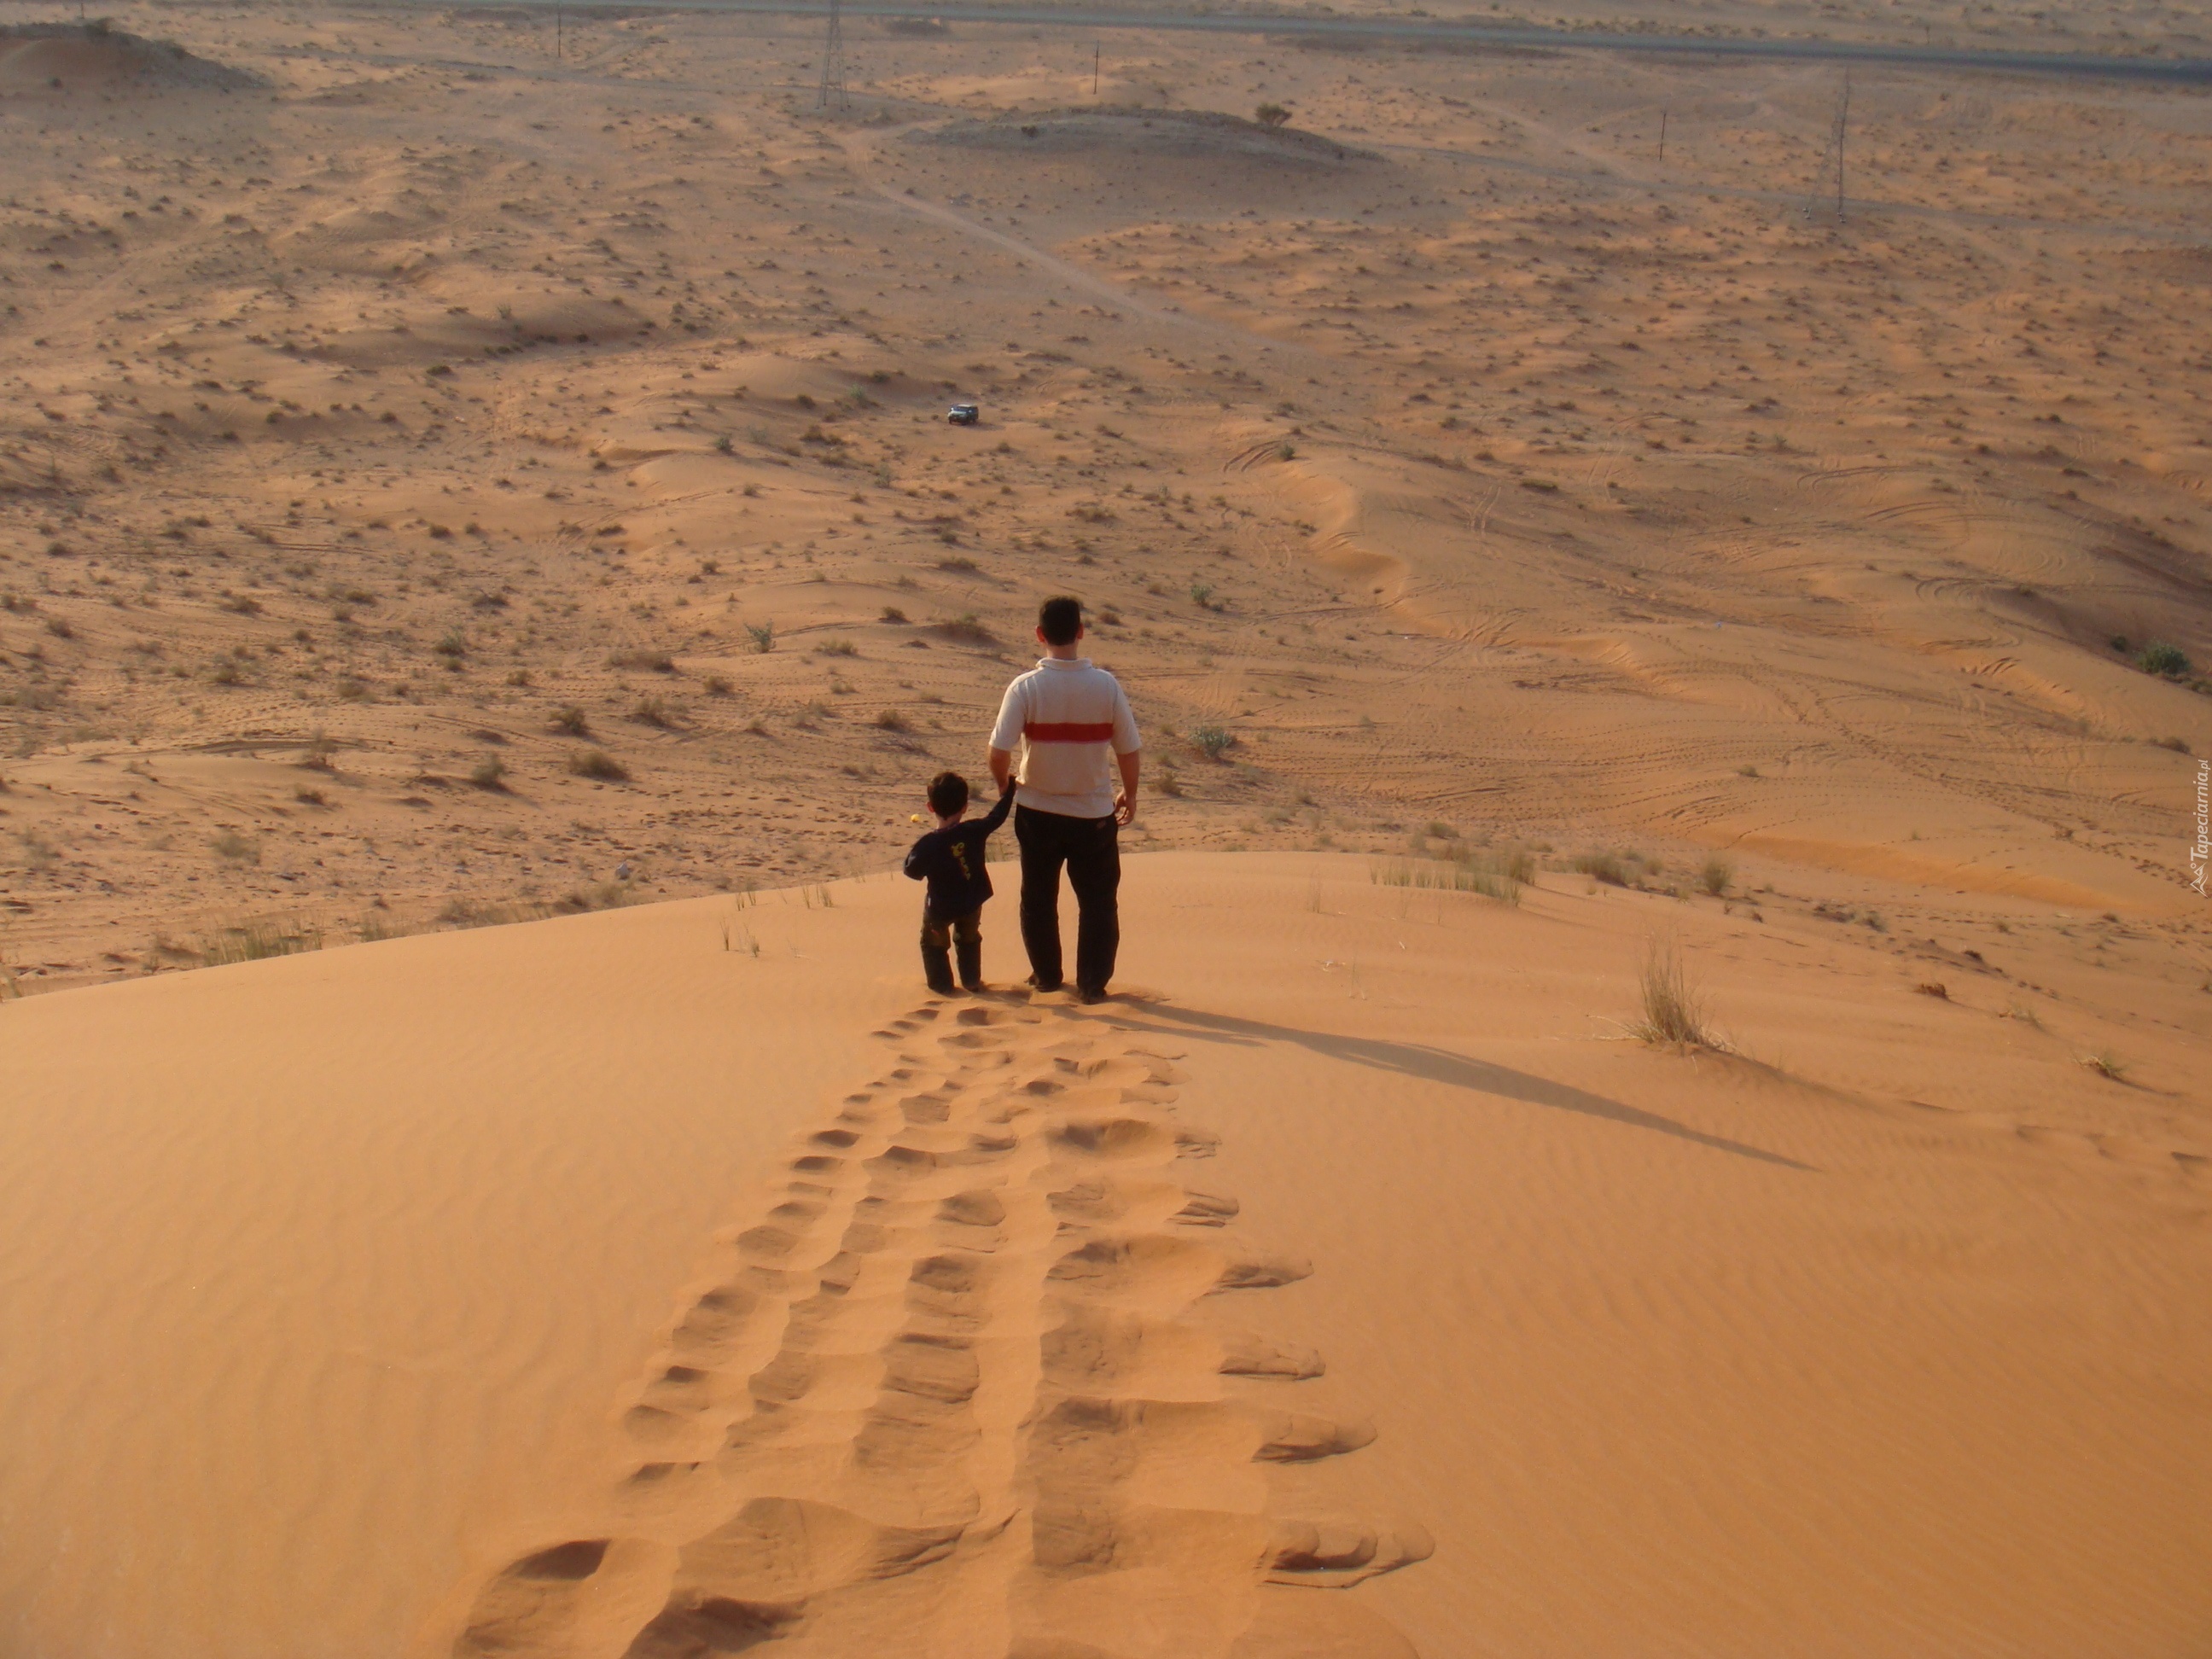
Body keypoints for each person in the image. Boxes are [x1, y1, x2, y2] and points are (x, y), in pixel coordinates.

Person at [987, 596, 1141, 1003]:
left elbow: (998, 751)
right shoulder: (1105, 685)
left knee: (1038, 899)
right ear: (1080, 632)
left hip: (1037, 811)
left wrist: (1007, 790)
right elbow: (1129, 748)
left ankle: (1047, 977)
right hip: (1093, 813)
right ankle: (1092, 985)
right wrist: (1132, 792)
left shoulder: (1026, 687)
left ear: (1040, 635)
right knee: (1098, 903)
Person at [901, 769, 1015, 995]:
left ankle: (941, 986)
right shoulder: (974, 830)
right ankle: (971, 980)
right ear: (964, 807)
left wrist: (915, 853)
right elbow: (996, 817)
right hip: (971, 903)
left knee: (933, 945)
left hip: (940, 909)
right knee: (968, 939)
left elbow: (911, 871)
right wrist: (1009, 793)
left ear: (930, 807)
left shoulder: (928, 845)